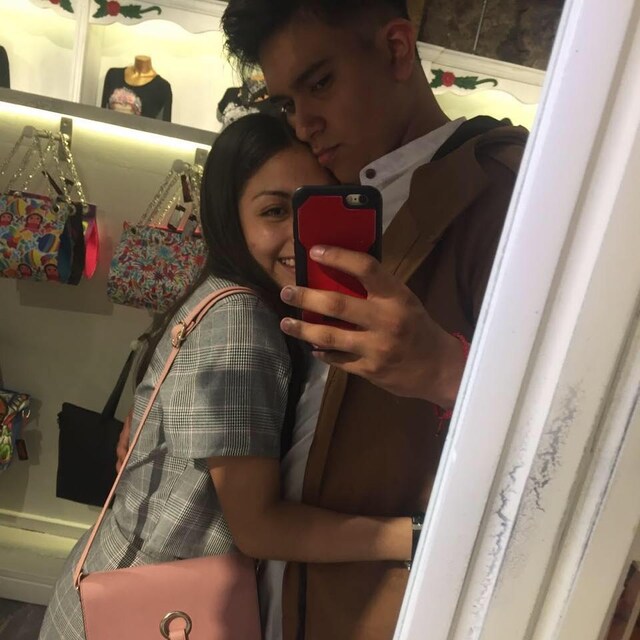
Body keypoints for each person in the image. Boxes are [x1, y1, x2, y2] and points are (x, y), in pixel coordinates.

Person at [39, 113, 415, 640]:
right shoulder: (242, 320)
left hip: (123, 589)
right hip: (152, 614)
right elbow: (259, 527)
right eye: (274, 211)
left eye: (314, 207)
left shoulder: (226, 291)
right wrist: (413, 535)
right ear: (230, 218)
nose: (299, 236)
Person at [221, 1, 530, 639]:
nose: (303, 122)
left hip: (397, 604)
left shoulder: (505, 195)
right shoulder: (342, 198)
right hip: (296, 594)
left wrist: (448, 372)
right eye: (287, 103)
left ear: (395, 49)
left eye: (320, 83)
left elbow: (580, 428)